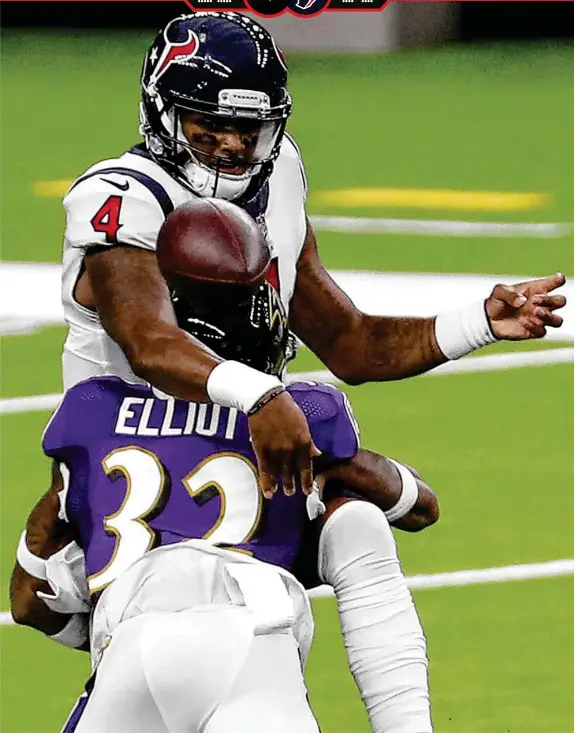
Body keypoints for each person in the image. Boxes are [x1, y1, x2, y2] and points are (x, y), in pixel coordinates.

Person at [53, 11, 565, 732]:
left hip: (239, 454)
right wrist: (264, 395)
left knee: (355, 524)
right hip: (129, 464)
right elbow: (148, 341)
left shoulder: (280, 173)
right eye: (208, 126)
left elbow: (348, 341)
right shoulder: (121, 196)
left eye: (250, 129)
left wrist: (477, 320)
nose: (233, 145)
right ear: (163, 113)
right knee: (364, 519)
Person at [11, 278, 438, 732]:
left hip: (131, 643)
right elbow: (419, 507)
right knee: (358, 521)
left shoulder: (94, 411)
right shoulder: (304, 419)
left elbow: (27, 602)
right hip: (252, 639)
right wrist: (340, 466)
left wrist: (97, 625)